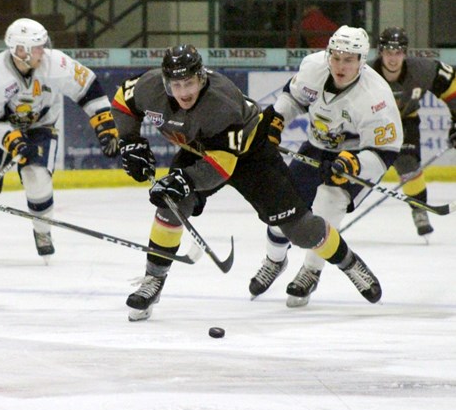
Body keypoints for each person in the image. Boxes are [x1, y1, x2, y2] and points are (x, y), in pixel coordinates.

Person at [111, 43, 383, 322]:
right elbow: (122, 101)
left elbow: (222, 167)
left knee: (300, 230)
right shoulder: (150, 86)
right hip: (201, 150)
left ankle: (349, 263)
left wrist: (185, 179)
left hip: (250, 155)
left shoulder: (221, 102)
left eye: (189, 83)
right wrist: (130, 141)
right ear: (166, 82)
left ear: (201, 77)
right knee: (171, 204)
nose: (184, 92)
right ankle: (152, 281)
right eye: (177, 85)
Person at [251, 26, 402, 307]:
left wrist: (353, 162)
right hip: (317, 146)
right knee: (282, 203)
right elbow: (293, 97)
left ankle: (310, 270)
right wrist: (277, 119)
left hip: (356, 155)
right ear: (328, 54)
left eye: (349, 59)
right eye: (336, 57)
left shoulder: (376, 96)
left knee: (330, 202)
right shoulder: (313, 68)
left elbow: (385, 152)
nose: (341, 65)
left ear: (362, 60)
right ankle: (275, 260)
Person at [0, 18, 119, 261]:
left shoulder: (54, 63)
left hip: (41, 127)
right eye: (36, 47)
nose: (43, 51)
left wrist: (104, 123)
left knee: (36, 177)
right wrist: (13, 141)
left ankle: (42, 231)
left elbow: (88, 87)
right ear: (20, 50)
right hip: (2, 131)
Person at [370, 26, 456, 238]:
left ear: (405, 53)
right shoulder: (366, 73)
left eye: (398, 52)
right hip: (370, 126)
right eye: (388, 52)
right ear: (380, 52)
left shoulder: (423, 70)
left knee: (408, 163)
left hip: (405, 122)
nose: (393, 58)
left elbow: (452, 87)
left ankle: (419, 210)